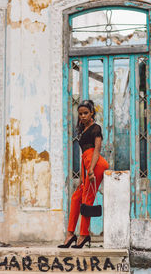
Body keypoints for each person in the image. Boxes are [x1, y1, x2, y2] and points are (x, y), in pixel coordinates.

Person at [58, 100, 109, 249]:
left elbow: (97, 150)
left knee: (87, 199)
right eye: (80, 114)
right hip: (87, 166)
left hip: (97, 165)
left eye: (86, 113)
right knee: (76, 198)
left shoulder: (96, 128)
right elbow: (83, 155)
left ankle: (83, 235)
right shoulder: (83, 130)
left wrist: (91, 170)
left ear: (92, 113)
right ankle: (70, 234)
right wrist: (83, 174)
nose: (83, 116)